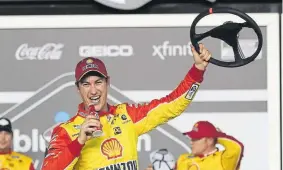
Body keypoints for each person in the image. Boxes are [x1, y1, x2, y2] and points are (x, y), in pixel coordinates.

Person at [42, 44, 212, 170]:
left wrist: (197, 70)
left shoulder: (126, 115)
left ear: (108, 83)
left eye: (98, 82)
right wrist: (79, 141)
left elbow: (171, 105)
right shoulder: (66, 131)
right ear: (78, 88)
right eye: (86, 84)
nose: (93, 90)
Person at [176, 121, 244, 170]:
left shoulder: (223, 160)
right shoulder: (183, 158)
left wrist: (218, 136)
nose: (191, 142)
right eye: (192, 138)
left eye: (196, 139)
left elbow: (237, 147)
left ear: (209, 140)